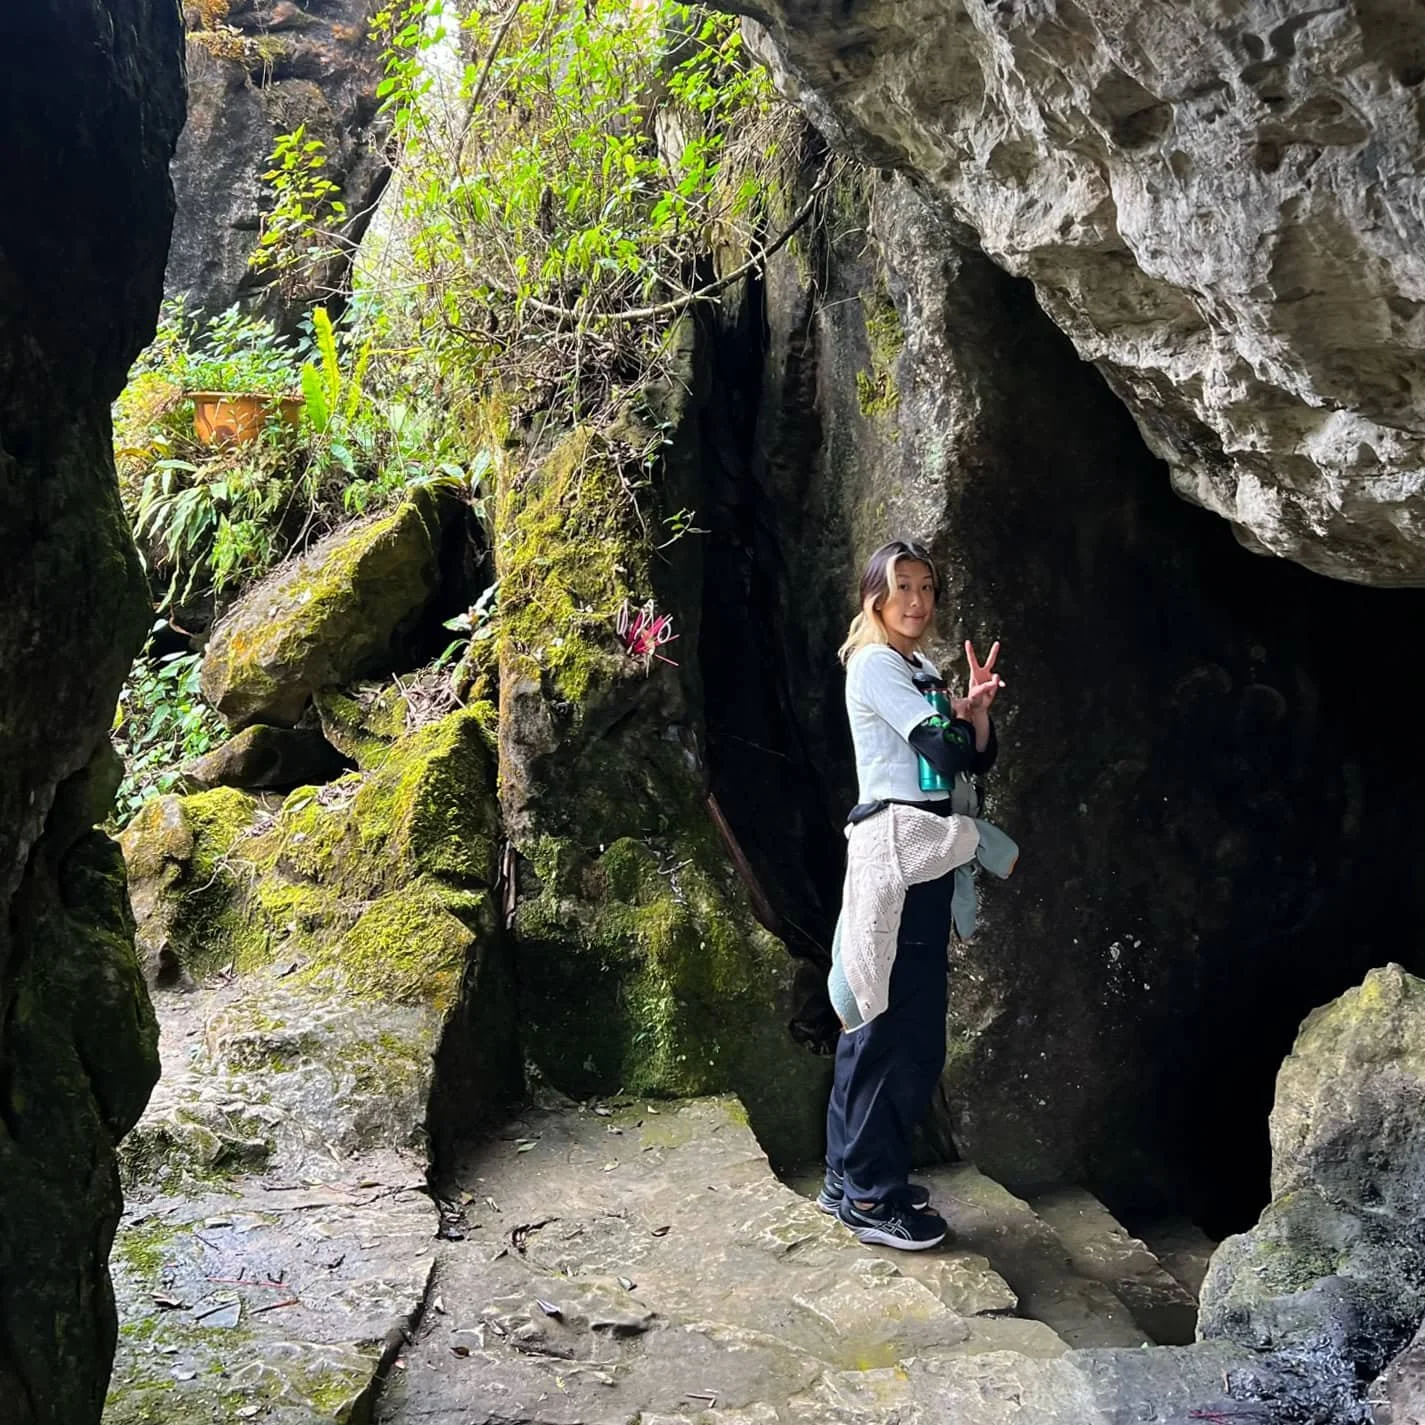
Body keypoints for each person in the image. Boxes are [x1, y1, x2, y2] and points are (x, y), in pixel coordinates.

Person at [819, 538, 1002, 1250]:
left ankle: (846, 1175)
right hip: (896, 855)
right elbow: (941, 750)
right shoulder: (873, 664)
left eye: (925, 587)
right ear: (874, 597)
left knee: (880, 1017)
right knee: (892, 1028)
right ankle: (871, 1193)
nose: (917, 602)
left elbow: (972, 754)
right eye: (903, 587)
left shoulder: (916, 666)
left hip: (918, 857)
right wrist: (955, 724)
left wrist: (974, 709)